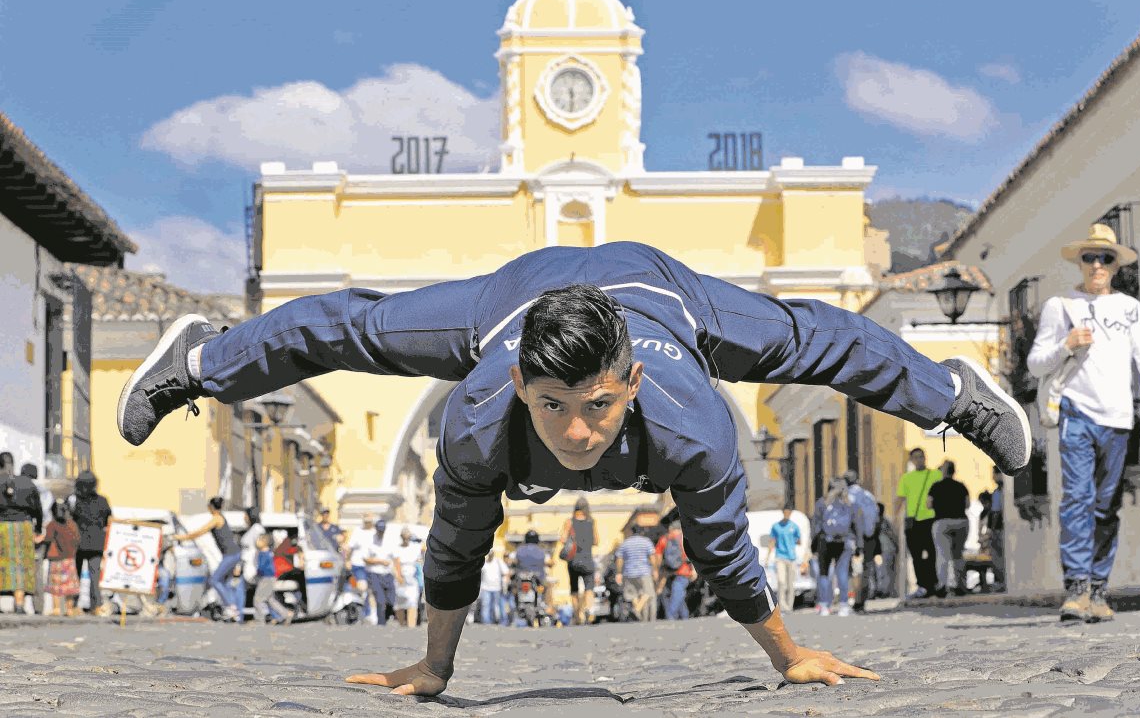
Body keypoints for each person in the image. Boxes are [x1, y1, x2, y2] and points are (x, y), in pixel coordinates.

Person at [117, 241, 1030, 694]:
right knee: (356, 326)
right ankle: (200, 360)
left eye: (598, 406)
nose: (578, 433)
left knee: (808, 340)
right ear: (518, 383)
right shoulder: (480, 415)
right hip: (515, 294)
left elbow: (723, 553)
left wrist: (789, 658)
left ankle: (952, 391)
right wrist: (434, 668)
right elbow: (456, 542)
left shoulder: (693, 422)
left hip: (662, 292)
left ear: (630, 384)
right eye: (552, 406)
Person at [1027, 223, 1140, 623]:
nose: (1096, 265)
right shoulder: (1062, 306)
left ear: (1115, 265)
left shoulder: (1130, 308)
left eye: (1105, 258)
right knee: (1077, 498)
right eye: (1089, 257)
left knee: (1106, 506)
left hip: (1119, 417)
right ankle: (1076, 586)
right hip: (1076, 412)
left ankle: (1099, 589)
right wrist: (1065, 344)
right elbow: (1035, 363)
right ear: (1080, 262)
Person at [174, 497, 245, 622]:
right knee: (226, 583)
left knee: (215, 580)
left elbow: (199, 532)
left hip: (231, 554)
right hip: (233, 554)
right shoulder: (220, 517)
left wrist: (180, 537)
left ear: (211, 507)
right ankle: (236, 613)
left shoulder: (216, 519)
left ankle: (231, 607)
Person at [894, 448, 941, 600]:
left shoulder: (935, 474)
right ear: (911, 460)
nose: (919, 460)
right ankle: (922, 585)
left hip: (931, 519)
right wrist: (896, 519)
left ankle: (933, 584)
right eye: (916, 457)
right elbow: (900, 499)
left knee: (932, 553)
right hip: (913, 520)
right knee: (916, 555)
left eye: (921, 457)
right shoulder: (906, 478)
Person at [0, 452, 42, 614]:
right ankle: (19, 603)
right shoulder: (27, 483)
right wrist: (37, 529)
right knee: (21, 566)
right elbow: (38, 509)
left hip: (2, 526)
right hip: (23, 527)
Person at [811, 478, 860, 616]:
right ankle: (844, 605)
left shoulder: (822, 502)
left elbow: (816, 525)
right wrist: (858, 545)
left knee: (824, 574)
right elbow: (856, 525)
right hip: (844, 542)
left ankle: (825, 605)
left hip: (825, 542)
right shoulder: (849, 503)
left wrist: (813, 546)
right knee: (842, 573)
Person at [68, 470, 110, 616]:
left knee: (75, 576)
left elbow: (69, 519)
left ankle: (72, 605)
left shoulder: (73, 500)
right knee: (95, 576)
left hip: (77, 543)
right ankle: (96, 606)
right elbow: (107, 519)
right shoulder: (102, 501)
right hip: (97, 543)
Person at [927, 460, 970, 597]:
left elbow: (928, 505)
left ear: (943, 471)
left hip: (942, 522)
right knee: (958, 554)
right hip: (961, 522)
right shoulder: (961, 486)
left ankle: (943, 585)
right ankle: (960, 585)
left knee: (942, 555)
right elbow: (968, 504)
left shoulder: (935, 486)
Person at [843, 470, 880, 613]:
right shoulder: (868, 495)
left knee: (854, 570)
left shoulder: (848, 497)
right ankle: (862, 600)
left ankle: (856, 600)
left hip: (856, 537)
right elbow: (877, 515)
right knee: (866, 569)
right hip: (870, 537)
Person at [39, 500, 81, 616]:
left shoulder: (52, 525)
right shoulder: (72, 525)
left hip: (56, 559)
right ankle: (69, 609)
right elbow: (77, 540)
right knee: (69, 586)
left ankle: (56, 609)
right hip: (69, 559)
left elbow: (48, 539)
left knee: (55, 586)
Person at [21, 464, 53, 615]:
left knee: (19, 568)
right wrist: (41, 532)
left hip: (22, 533)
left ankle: (18, 604)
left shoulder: (19, 488)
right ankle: (39, 607)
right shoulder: (46, 492)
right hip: (40, 534)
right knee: (37, 570)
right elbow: (47, 515)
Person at [560, 497, 597, 625]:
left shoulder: (569, 522)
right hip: (587, 560)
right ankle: (589, 610)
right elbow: (596, 541)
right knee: (589, 588)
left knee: (574, 589)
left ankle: (577, 615)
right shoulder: (591, 522)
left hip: (573, 561)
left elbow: (563, 539)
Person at [615, 526, 658, 622]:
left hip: (629, 573)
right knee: (648, 593)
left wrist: (618, 573)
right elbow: (652, 557)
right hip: (644, 572)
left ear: (631, 532)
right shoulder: (646, 542)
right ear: (642, 532)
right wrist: (654, 570)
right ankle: (636, 610)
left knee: (633, 594)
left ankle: (640, 617)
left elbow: (619, 558)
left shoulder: (625, 543)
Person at [655, 519, 693, 620]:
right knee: (678, 593)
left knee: (676, 593)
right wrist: (693, 570)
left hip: (668, 571)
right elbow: (691, 555)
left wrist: (657, 569)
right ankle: (671, 616)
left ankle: (683, 616)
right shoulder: (684, 538)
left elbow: (657, 555)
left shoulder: (665, 538)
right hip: (684, 570)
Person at [252, 533, 294, 624]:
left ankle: (260, 620)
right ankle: (286, 614)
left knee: (257, 600)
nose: (257, 541)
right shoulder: (267, 553)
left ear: (265, 543)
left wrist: (257, 573)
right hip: (269, 578)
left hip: (266, 578)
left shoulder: (264, 554)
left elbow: (263, 567)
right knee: (270, 599)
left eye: (260, 540)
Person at [767, 508, 802, 612]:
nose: (787, 514)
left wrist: (792, 543)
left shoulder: (794, 526)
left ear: (791, 513)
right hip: (780, 557)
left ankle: (789, 606)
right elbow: (772, 541)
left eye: (789, 513)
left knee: (790, 583)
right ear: (783, 513)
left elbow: (799, 540)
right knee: (781, 581)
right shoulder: (776, 527)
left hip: (791, 558)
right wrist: (768, 556)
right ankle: (782, 606)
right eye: (785, 512)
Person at [364, 519, 398, 626]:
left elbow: (396, 558)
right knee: (380, 600)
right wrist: (379, 561)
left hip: (388, 574)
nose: (381, 532)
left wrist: (398, 573)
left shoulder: (390, 541)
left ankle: (387, 617)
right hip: (374, 574)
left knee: (391, 600)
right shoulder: (369, 540)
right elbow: (365, 558)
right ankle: (381, 623)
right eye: (379, 530)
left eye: (382, 530)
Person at [348, 516, 376, 623]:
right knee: (362, 588)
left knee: (371, 590)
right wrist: (348, 560)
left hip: (372, 565)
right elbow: (350, 548)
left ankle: (370, 613)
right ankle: (362, 610)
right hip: (358, 564)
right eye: (366, 521)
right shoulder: (357, 532)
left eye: (369, 521)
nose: (368, 523)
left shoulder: (374, 532)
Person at [394, 527, 422, 627]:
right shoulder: (397, 548)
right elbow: (396, 563)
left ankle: (411, 625)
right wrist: (398, 576)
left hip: (412, 578)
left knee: (412, 602)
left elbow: (419, 560)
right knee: (400, 603)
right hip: (401, 577)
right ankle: (402, 624)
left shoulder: (414, 548)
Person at [985, 466, 1006, 592]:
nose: (993, 477)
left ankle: (1001, 581)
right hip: (998, 529)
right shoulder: (997, 491)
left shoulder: (1001, 492)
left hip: (999, 529)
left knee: (998, 557)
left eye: (994, 474)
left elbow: (996, 512)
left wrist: (991, 530)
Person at [478, 549, 509, 625]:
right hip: (485, 588)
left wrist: (505, 584)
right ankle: (486, 621)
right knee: (486, 605)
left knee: (495, 606)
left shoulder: (498, 562)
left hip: (496, 588)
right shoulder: (484, 563)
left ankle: (495, 620)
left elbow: (506, 572)